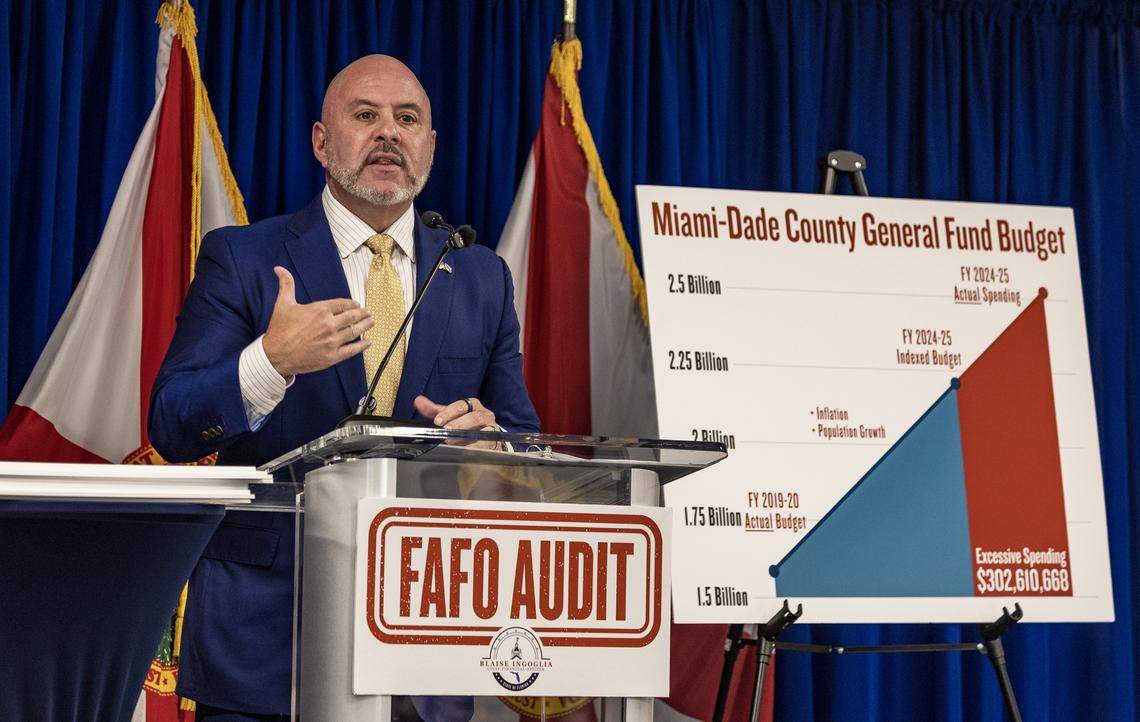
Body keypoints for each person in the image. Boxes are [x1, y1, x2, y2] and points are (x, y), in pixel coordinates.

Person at [148, 55, 540, 720]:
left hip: (423, 647)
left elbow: (525, 445)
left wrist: (492, 445)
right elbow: (173, 422)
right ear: (322, 142)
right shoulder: (244, 258)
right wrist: (270, 361)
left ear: (431, 147)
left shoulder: (479, 276)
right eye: (365, 116)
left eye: (407, 119)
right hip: (266, 650)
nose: (389, 132)